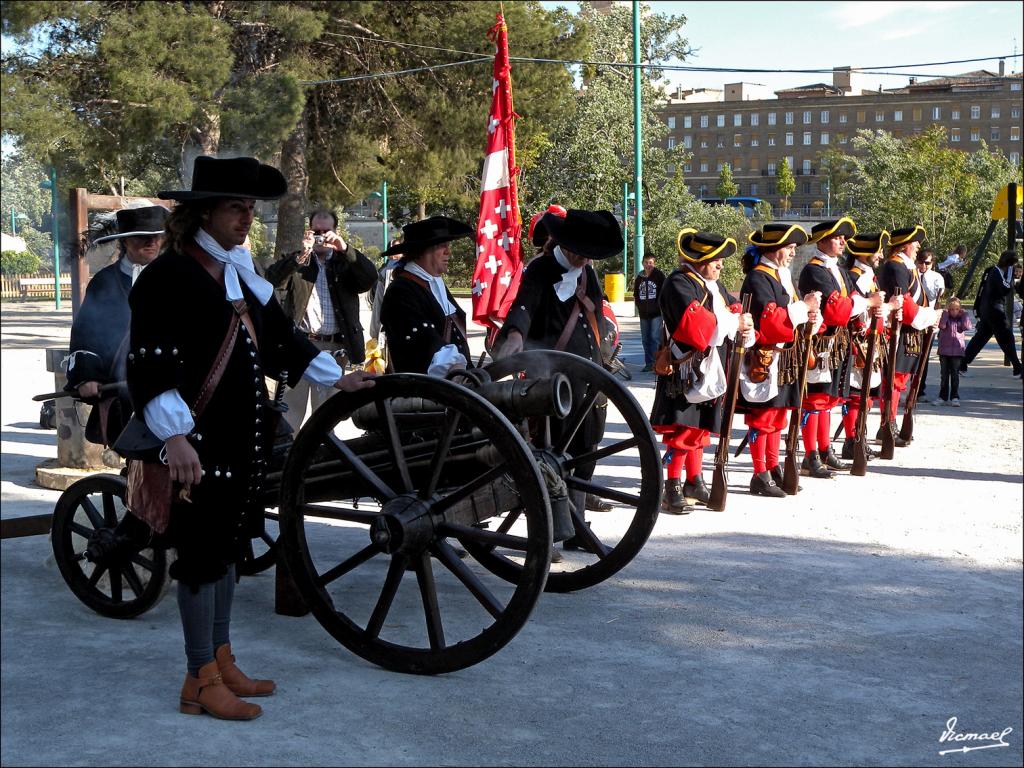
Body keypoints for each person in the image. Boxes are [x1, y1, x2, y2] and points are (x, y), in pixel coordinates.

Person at [129, 155, 375, 721]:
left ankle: (221, 658)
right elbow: (151, 367)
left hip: (242, 439)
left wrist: (338, 378)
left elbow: (284, 342)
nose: (246, 217)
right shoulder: (169, 276)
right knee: (198, 559)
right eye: (235, 207)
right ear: (202, 213)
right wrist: (176, 438)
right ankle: (199, 678)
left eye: (249, 208)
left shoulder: (237, 273)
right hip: (197, 444)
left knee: (228, 551)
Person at [496, 208, 623, 533]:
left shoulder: (588, 274)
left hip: (589, 376)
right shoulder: (541, 268)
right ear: (565, 245)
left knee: (585, 454)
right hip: (553, 377)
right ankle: (549, 529)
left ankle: (577, 523)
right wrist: (514, 335)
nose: (585, 260)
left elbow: (595, 320)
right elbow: (523, 306)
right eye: (582, 253)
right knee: (554, 457)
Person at [649, 229, 754, 512]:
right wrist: (734, 321)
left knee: (700, 428)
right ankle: (671, 486)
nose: (721, 264)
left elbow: (727, 312)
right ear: (702, 259)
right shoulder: (679, 282)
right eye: (716, 259)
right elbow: (696, 326)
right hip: (686, 367)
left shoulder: (712, 285)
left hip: (711, 365)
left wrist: (739, 319)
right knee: (682, 429)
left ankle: (694, 480)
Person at [263, 208, 378, 430]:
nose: (321, 237)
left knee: (328, 417)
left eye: (327, 231)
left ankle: (325, 461)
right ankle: (288, 459)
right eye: (317, 231)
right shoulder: (299, 261)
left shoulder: (345, 262)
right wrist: (301, 256)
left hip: (336, 347)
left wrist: (345, 249)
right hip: (301, 346)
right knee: (290, 416)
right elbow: (273, 280)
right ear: (309, 232)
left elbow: (369, 278)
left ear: (336, 232)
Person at [66, 205, 168, 446]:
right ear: (124, 242)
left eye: (156, 236)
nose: (151, 243)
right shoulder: (104, 282)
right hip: (123, 395)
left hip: (171, 388)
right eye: (141, 237)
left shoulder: (174, 277)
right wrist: (87, 377)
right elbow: (85, 333)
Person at [737, 224, 819, 498]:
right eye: (790, 248)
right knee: (763, 417)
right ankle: (759, 472)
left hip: (785, 357)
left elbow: (791, 314)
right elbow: (771, 322)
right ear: (775, 249)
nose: (793, 253)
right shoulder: (759, 278)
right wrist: (803, 307)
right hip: (766, 357)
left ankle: (772, 467)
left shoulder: (779, 275)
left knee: (778, 415)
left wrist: (808, 314)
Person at [799, 218, 880, 477]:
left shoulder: (838, 270)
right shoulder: (814, 271)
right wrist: (867, 303)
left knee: (828, 400)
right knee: (815, 400)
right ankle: (810, 454)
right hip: (820, 344)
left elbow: (853, 297)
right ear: (822, 241)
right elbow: (836, 310)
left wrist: (865, 302)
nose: (843, 241)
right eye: (837, 237)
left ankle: (824, 450)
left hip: (836, 344)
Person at [379, 216, 474, 375]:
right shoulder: (401, 291)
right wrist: (457, 370)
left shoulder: (435, 283)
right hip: (422, 392)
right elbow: (424, 340)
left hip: (451, 384)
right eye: (443, 245)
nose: (448, 252)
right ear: (423, 250)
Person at [875, 225, 941, 444]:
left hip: (908, 331)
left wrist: (929, 316)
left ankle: (891, 423)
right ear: (905, 244)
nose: (918, 247)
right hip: (898, 329)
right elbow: (905, 303)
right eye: (915, 242)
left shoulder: (906, 266)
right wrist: (931, 316)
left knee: (899, 379)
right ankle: (888, 424)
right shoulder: (896, 266)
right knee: (893, 379)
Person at [839, 231, 896, 460]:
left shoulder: (868, 274)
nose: (881, 255)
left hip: (871, 340)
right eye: (878, 251)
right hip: (857, 341)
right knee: (854, 394)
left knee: (866, 394)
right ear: (865, 253)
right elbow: (854, 308)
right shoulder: (854, 276)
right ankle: (852, 440)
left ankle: (858, 437)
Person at [960, 250, 1022, 376]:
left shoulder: (992, 271)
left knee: (980, 338)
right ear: (1009, 264)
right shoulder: (997, 273)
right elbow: (1005, 289)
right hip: (995, 311)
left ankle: (962, 364)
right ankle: (1018, 367)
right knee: (1007, 338)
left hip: (988, 310)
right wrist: (1010, 275)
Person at [914, 248, 945, 402]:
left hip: (929, 319)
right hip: (914, 318)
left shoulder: (936, 277)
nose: (924, 266)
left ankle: (920, 389)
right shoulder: (911, 274)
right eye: (921, 262)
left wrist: (924, 277)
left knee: (924, 357)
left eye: (927, 263)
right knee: (911, 355)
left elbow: (934, 297)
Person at [936, 297, 972, 405]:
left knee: (955, 374)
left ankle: (955, 396)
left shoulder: (961, 318)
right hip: (944, 351)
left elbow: (967, 326)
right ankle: (943, 396)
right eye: (951, 309)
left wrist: (964, 315)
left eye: (956, 309)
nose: (954, 312)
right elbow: (941, 325)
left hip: (957, 351)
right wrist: (945, 314)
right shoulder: (945, 317)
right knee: (944, 375)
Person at [368, 237, 403, 346]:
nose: (394, 255)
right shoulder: (384, 272)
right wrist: (375, 332)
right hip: (386, 327)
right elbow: (378, 303)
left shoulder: (407, 269)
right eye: (391, 250)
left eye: (397, 250)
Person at [633, 254, 666, 372]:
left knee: (655, 338)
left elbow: (664, 292)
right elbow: (636, 293)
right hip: (643, 314)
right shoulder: (639, 277)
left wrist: (659, 306)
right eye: (646, 262)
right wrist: (639, 306)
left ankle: (657, 363)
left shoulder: (659, 276)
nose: (648, 265)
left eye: (651, 262)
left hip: (656, 313)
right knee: (645, 339)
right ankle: (649, 363)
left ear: (654, 263)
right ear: (642, 263)